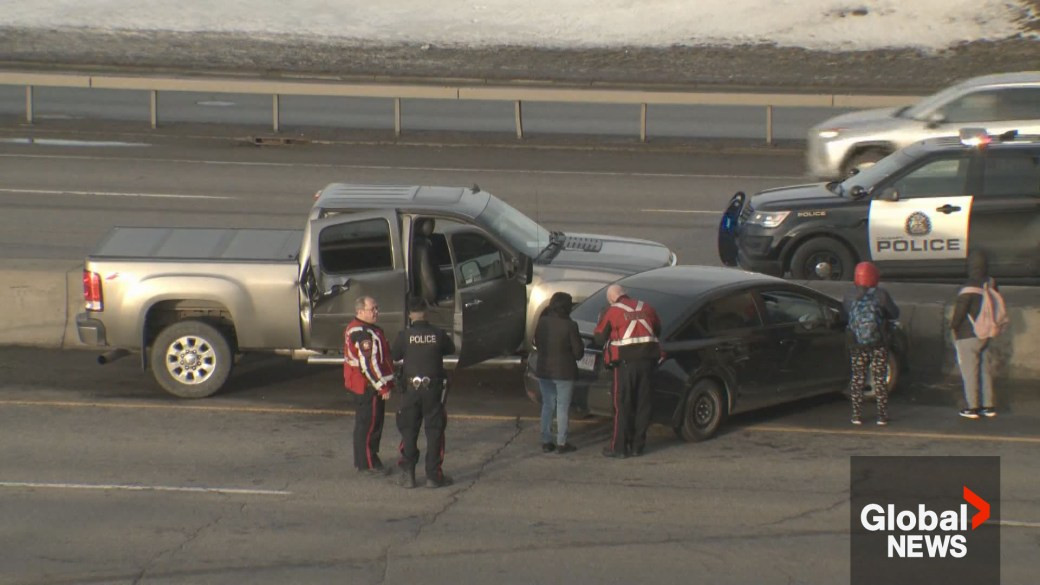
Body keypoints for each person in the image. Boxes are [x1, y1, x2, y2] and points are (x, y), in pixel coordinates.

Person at [391, 297, 457, 488]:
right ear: (426, 314)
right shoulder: (438, 334)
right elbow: (450, 349)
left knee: (409, 431)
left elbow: (395, 355)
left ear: (410, 315)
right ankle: (433, 476)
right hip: (433, 391)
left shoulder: (404, 335)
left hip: (410, 390)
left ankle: (408, 475)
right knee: (434, 432)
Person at [593, 284, 662, 458]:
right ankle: (638, 446)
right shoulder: (646, 307)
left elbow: (600, 337)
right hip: (648, 362)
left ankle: (619, 448)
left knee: (622, 405)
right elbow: (658, 329)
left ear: (611, 298)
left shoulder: (613, 311)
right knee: (643, 405)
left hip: (625, 364)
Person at [842, 261, 900, 426]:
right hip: (878, 344)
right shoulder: (881, 294)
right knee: (879, 379)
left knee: (858, 378)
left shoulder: (849, 295)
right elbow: (894, 313)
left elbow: (846, 316)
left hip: (857, 344)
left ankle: (856, 415)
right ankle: (881, 416)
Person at [344, 295, 395, 474]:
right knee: (370, 425)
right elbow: (369, 364)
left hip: (361, 385)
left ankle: (363, 461)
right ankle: (368, 464)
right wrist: (382, 386)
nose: (376, 312)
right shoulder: (363, 333)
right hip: (367, 387)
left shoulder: (364, 329)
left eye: (376, 308)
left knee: (364, 424)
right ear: (360, 311)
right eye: (372, 309)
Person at [533, 292, 585, 454]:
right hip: (564, 372)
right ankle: (562, 442)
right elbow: (578, 353)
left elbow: (536, 342)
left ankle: (546, 441)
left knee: (548, 405)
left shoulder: (543, 322)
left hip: (544, 369)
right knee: (562, 407)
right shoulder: (570, 326)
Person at [951, 250, 999, 419]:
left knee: (970, 372)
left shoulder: (967, 289)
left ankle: (972, 407)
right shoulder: (991, 284)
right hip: (987, 333)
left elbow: (959, 314)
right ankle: (988, 406)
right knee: (985, 370)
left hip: (968, 335)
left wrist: (953, 327)